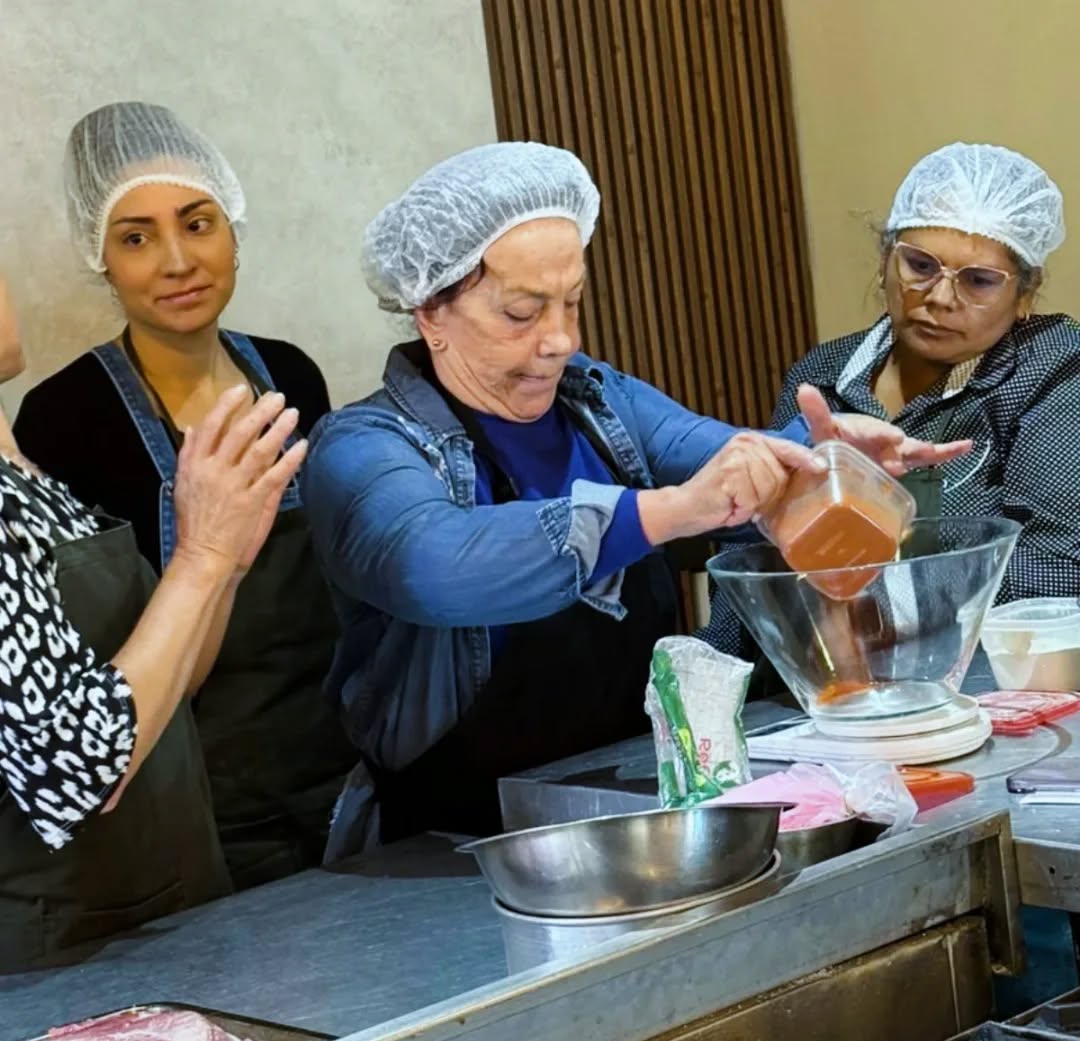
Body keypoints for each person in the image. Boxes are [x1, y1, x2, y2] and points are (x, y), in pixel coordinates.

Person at [300, 141, 965, 853]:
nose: (559, 340)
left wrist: (813, 461)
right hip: (445, 847)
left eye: (572, 303)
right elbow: (437, 566)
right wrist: (670, 511)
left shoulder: (595, 400)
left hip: (631, 817)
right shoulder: (360, 450)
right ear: (430, 312)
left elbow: (716, 453)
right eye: (522, 313)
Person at [14, 102, 356, 888]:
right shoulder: (68, 417)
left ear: (235, 230)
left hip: (344, 777)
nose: (176, 261)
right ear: (98, 258)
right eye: (135, 238)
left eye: (198, 224)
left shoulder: (291, 374)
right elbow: (109, 672)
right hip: (206, 808)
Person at [0, 272, 307, 971]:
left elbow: (161, 700)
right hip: (61, 967)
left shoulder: (23, 475)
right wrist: (199, 556)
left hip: (161, 911)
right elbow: (75, 770)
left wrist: (223, 569)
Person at [701, 141, 1080, 657]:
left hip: (976, 682)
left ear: (1025, 296)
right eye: (920, 266)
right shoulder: (822, 375)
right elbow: (759, 543)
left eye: (980, 281)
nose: (941, 299)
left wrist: (876, 609)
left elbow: (1056, 565)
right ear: (885, 261)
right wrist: (720, 671)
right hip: (812, 677)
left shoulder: (1052, 369)